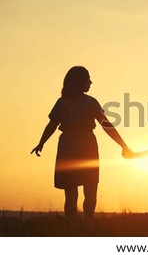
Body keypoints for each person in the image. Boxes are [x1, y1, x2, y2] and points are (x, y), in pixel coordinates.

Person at [31, 66, 131, 218]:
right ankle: (86, 223)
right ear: (79, 82)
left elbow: (52, 125)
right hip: (86, 145)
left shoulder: (62, 103)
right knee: (89, 187)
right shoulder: (90, 102)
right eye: (87, 79)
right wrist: (123, 145)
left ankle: (74, 226)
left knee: (70, 191)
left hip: (67, 146)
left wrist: (41, 143)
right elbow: (106, 125)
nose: (90, 82)